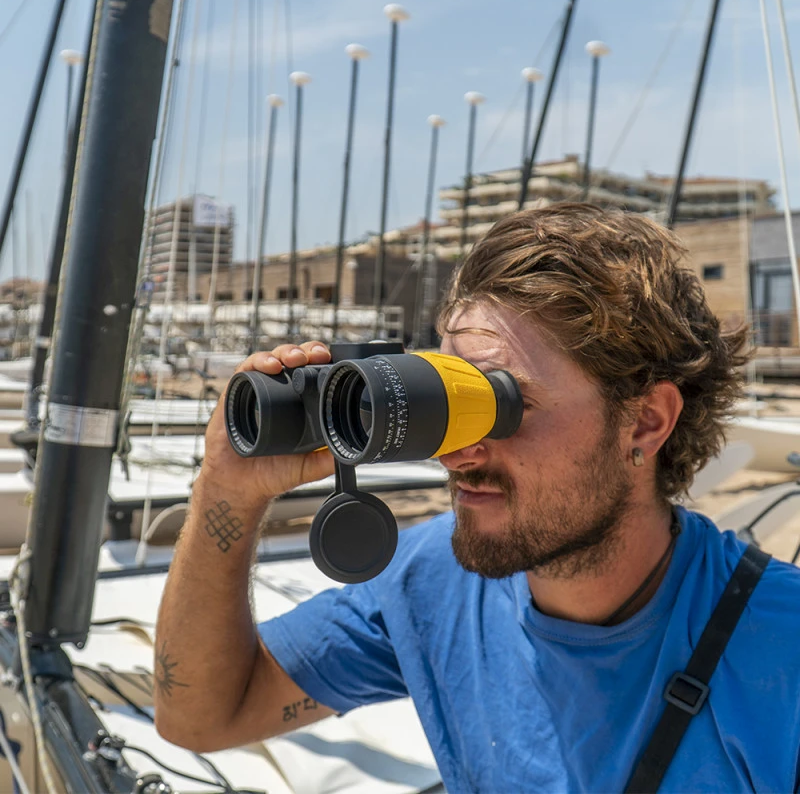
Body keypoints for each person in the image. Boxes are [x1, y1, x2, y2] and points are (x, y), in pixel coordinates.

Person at [154, 203, 800, 792]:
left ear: (645, 422)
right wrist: (226, 490)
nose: (456, 453)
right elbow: (204, 718)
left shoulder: (783, 647)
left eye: (502, 403)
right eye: (455, 403)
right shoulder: (431, 579)